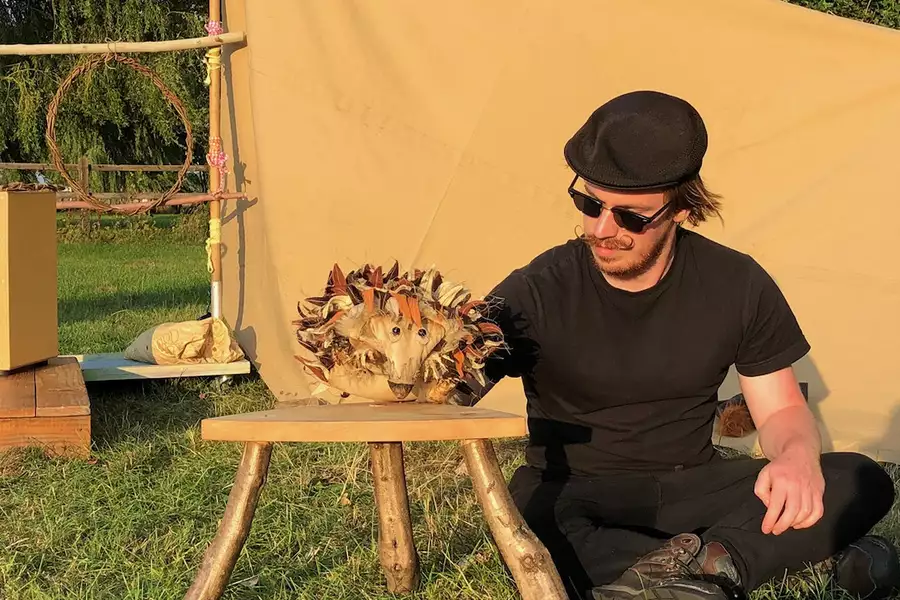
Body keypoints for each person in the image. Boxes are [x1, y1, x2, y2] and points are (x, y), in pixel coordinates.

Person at [461, 90, 899, 600]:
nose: (603, 230)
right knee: (536, 529)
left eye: (631, 217)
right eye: (589, 204)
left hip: (693, 483)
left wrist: (798, 456)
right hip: (574, 491)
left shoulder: (737, 283)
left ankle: (714, 566)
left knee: (859, 479)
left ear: (684, 209)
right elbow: (448, 383)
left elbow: (779, 408)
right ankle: (786, 560)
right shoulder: (533, 290)